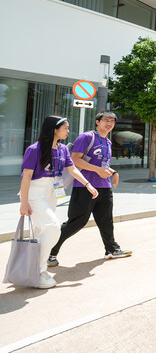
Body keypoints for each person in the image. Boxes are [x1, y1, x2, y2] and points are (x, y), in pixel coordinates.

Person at [19, 116, 98, 288]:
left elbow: (72, 169)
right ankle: (40, 271)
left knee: (42, 232)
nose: (68, 131)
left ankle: (34, 271)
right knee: (53, 227)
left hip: (52, 192)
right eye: (66, 128)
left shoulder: (62, 149)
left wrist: (88, 184)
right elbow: (26, 177)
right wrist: (24, 202)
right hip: (36, 193)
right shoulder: (35, 149)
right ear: (54, 129)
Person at [48, 112, 131, 266]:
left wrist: (113, 172)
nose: (109, 123)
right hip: (84, 186)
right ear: (97, 122)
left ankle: (111, 249)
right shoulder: (86, 137)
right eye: (106, 120)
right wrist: (97, 170)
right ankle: (50, 252)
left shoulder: (108, 142)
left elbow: (102, 164)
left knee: (106, 220)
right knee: (76, 222)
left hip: (104, 186)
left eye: (112, 121)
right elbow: (74, 160)